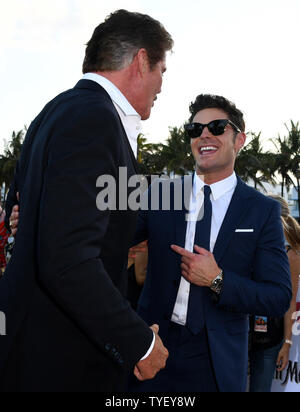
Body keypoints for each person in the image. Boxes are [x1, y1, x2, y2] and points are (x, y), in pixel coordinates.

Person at [0, 9, 172, 392]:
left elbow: (48, 223)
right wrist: (140, 344)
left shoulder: (57, 111)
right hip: (58, 359)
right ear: (141, 61)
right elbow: (67, 259)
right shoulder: (93, 119)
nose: (162, 85)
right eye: (162, 70)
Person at [129, 94, 292, 392]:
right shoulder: (163, 194)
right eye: (195, 129)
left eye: (217, 127)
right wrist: (40, 219)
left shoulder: (260, 210)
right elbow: (107, 236)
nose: (204, 134)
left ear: (239, 140)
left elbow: (278, 296)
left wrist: (217, 280)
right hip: (152, 347)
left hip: (216, 362)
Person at [249, 195, 300, 392]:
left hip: (270, 335)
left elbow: (290, 301)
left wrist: (287, 342)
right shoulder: (252, 243)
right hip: (242, 330)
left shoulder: (291, 254)